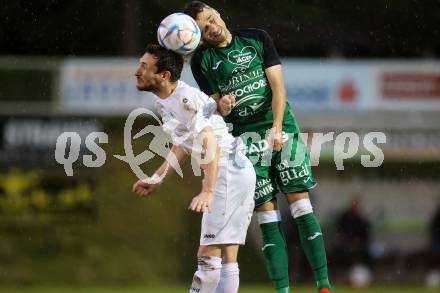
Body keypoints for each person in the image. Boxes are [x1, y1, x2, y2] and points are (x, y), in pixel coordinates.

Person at [184, 2, 333, 292]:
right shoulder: (202, 60)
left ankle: (323, 285)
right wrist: (221, 105)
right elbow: (213, 107)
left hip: (280, 126)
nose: (213, 28)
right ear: (200, 36)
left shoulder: (256, 38)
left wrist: (277, 127)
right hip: (244, 139)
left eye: (212, 19)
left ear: (218, 12)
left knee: (301, 204)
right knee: (267, 214)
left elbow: (278, 87)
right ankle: (282, 290)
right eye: (205, 28)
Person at [132, 43, 256, 293]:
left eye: (144, 66)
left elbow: (210, 142)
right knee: (227, 255)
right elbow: (183, 144)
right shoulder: (164, 101)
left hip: (227, 173)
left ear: (164, 76)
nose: (137, 71)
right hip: (235, 171)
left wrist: (208, 191)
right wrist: (157, 178)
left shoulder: (186, 100)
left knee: (208, 254)